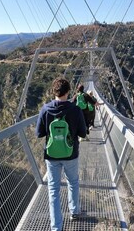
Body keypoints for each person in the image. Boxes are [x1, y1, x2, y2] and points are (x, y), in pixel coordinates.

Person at [36, 77, 87, 231]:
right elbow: (83, 133)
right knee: (73, 182)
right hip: (71, 154)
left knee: (53, 190)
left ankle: (56, 227)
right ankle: (74, 211)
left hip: (52, 156)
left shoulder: (45, 109)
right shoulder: (76, 110)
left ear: (54, 91)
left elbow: (39, 133)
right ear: (68, 91)